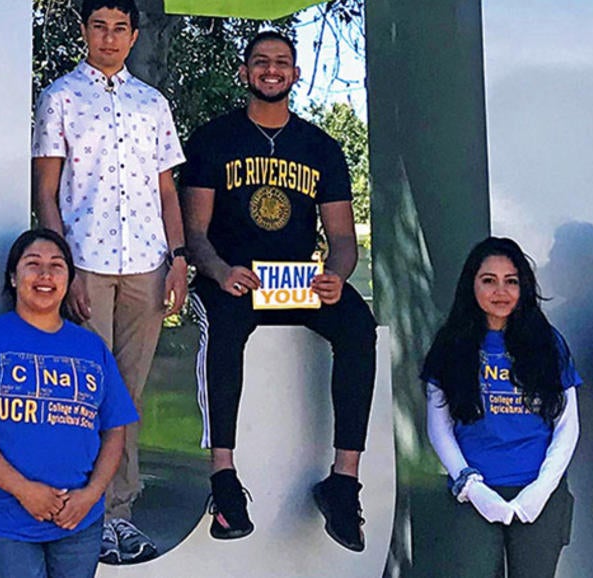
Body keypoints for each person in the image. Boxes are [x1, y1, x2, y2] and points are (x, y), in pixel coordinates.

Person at [178, 29, 379, 551]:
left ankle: (343, 481)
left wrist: (336, 275)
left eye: (282, 62)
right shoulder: (213, 140)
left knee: (358, 326)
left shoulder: (321, 147)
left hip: (293, 280)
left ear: (295, 74)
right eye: (261, 62)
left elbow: (340, 237)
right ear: (244, 72)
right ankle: (224, 479)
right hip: (232, 277)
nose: (272, 70)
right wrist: (220, 271)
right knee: (225, 327)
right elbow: (194, 232)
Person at [31, 0, 190, 562]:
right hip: (87, 265)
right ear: (84, 31)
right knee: (84, 392)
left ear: (133, 33)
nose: (110, 38)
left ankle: (119, 514)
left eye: (120, 28)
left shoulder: (152, 104)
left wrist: (177, 257)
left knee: (129, 393)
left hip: (146, 264)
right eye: (99, 27)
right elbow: (46, 192)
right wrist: (62, 265)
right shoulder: (60, 98)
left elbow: (167, 191)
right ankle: (83, 511)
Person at [0, 229, 141, 578]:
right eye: (33, 264)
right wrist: (25, 491)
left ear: (69, 280)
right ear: (13, 277)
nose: (45, 275)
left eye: (57, 266)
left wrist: (92, 495)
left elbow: (115, 429)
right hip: (5, 520)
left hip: (79, 521)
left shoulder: (92, 349)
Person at [421, 238, 582, 578]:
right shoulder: (450, 344)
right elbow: (438, 426)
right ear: (472, 285)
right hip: (474, 495)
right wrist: (470, 485)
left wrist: (541, 489)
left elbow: (568, 424)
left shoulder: (548, 342)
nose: (501, 291)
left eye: (511, 281)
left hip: (538, 493)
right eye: (489, 280)